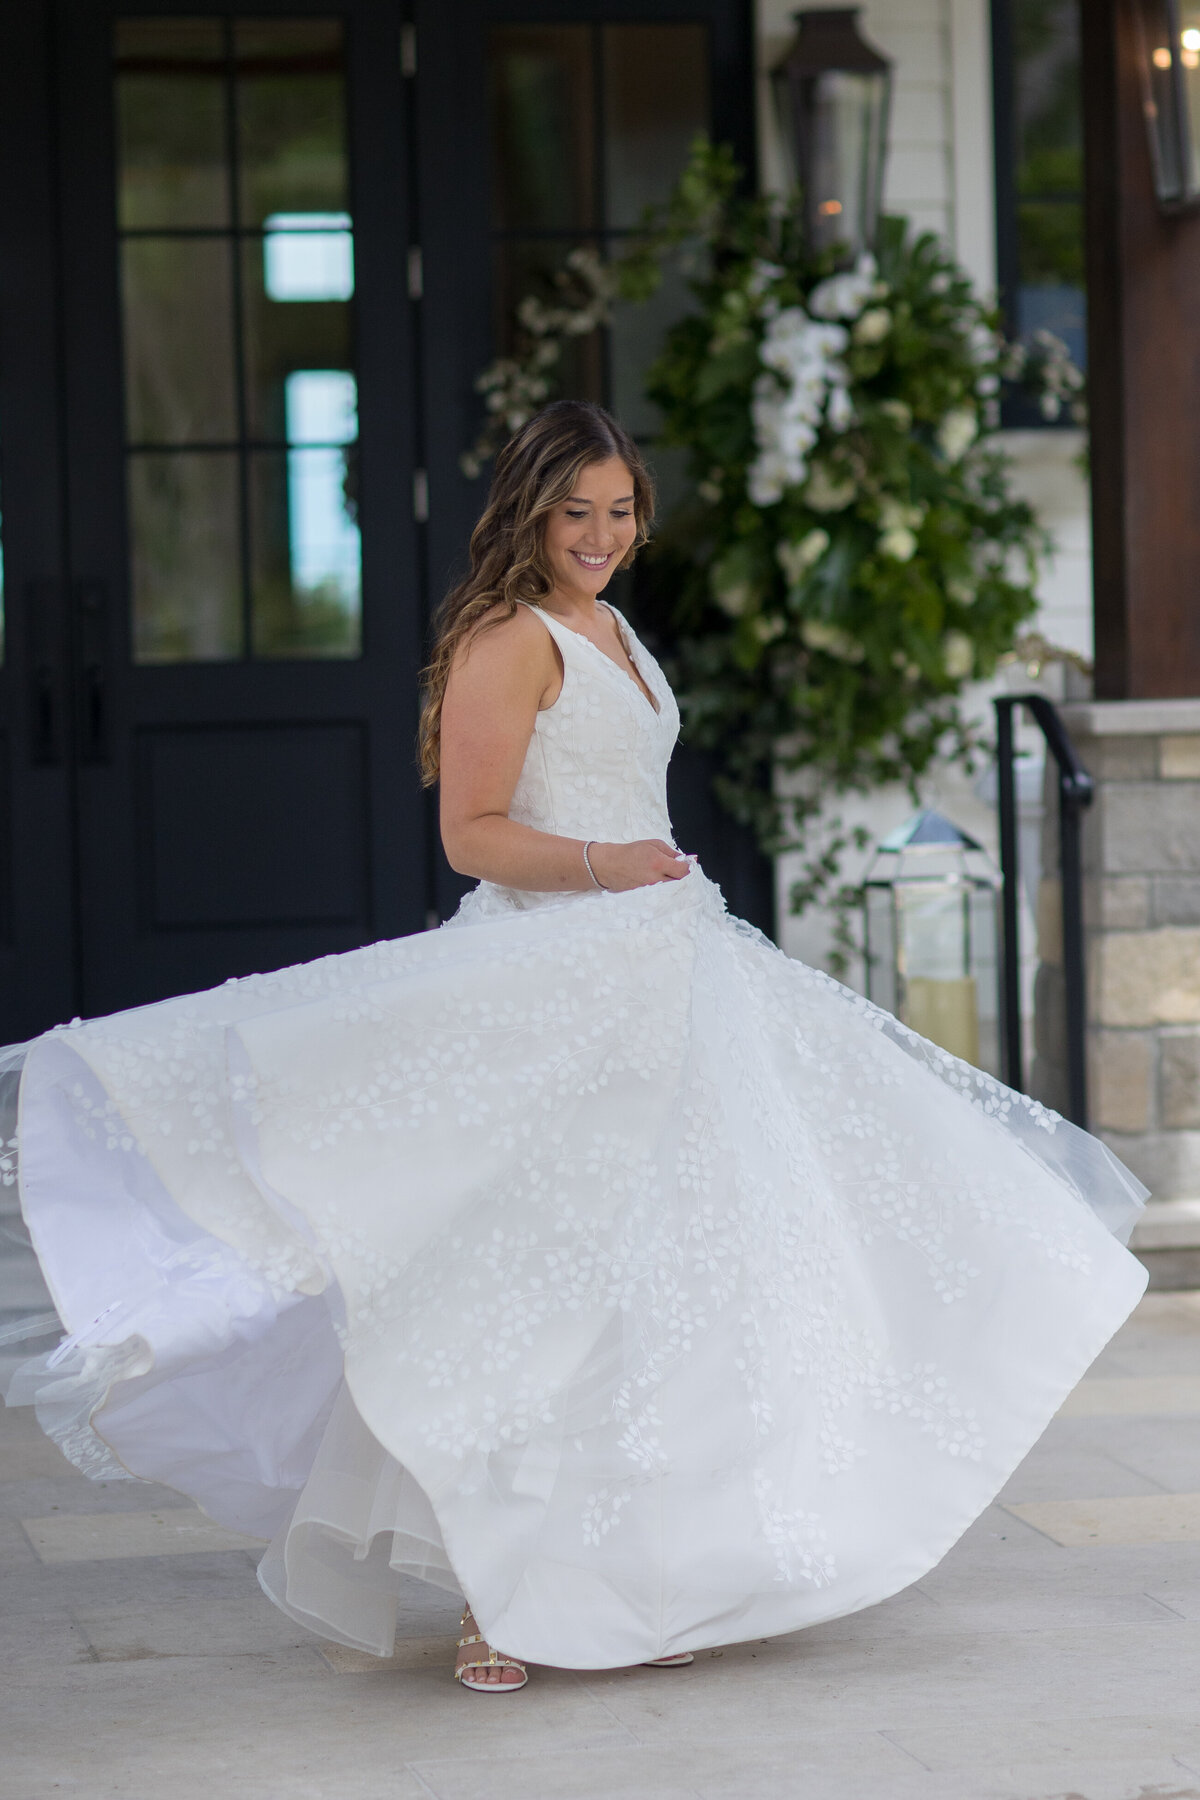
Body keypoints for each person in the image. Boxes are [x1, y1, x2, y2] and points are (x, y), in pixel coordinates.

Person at [7, 400, 1148, 1696]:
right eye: (576, 513)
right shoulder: (513, 636)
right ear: (531, 513)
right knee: (530, 1287)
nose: (602, 535)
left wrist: (642, 883)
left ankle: (645, 1568)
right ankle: (502, 1589)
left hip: (664, 981)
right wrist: (612, 866)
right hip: (554, 981)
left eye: (619, 511)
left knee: (671, 1280)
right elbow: (474, 832)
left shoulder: (614, 631)